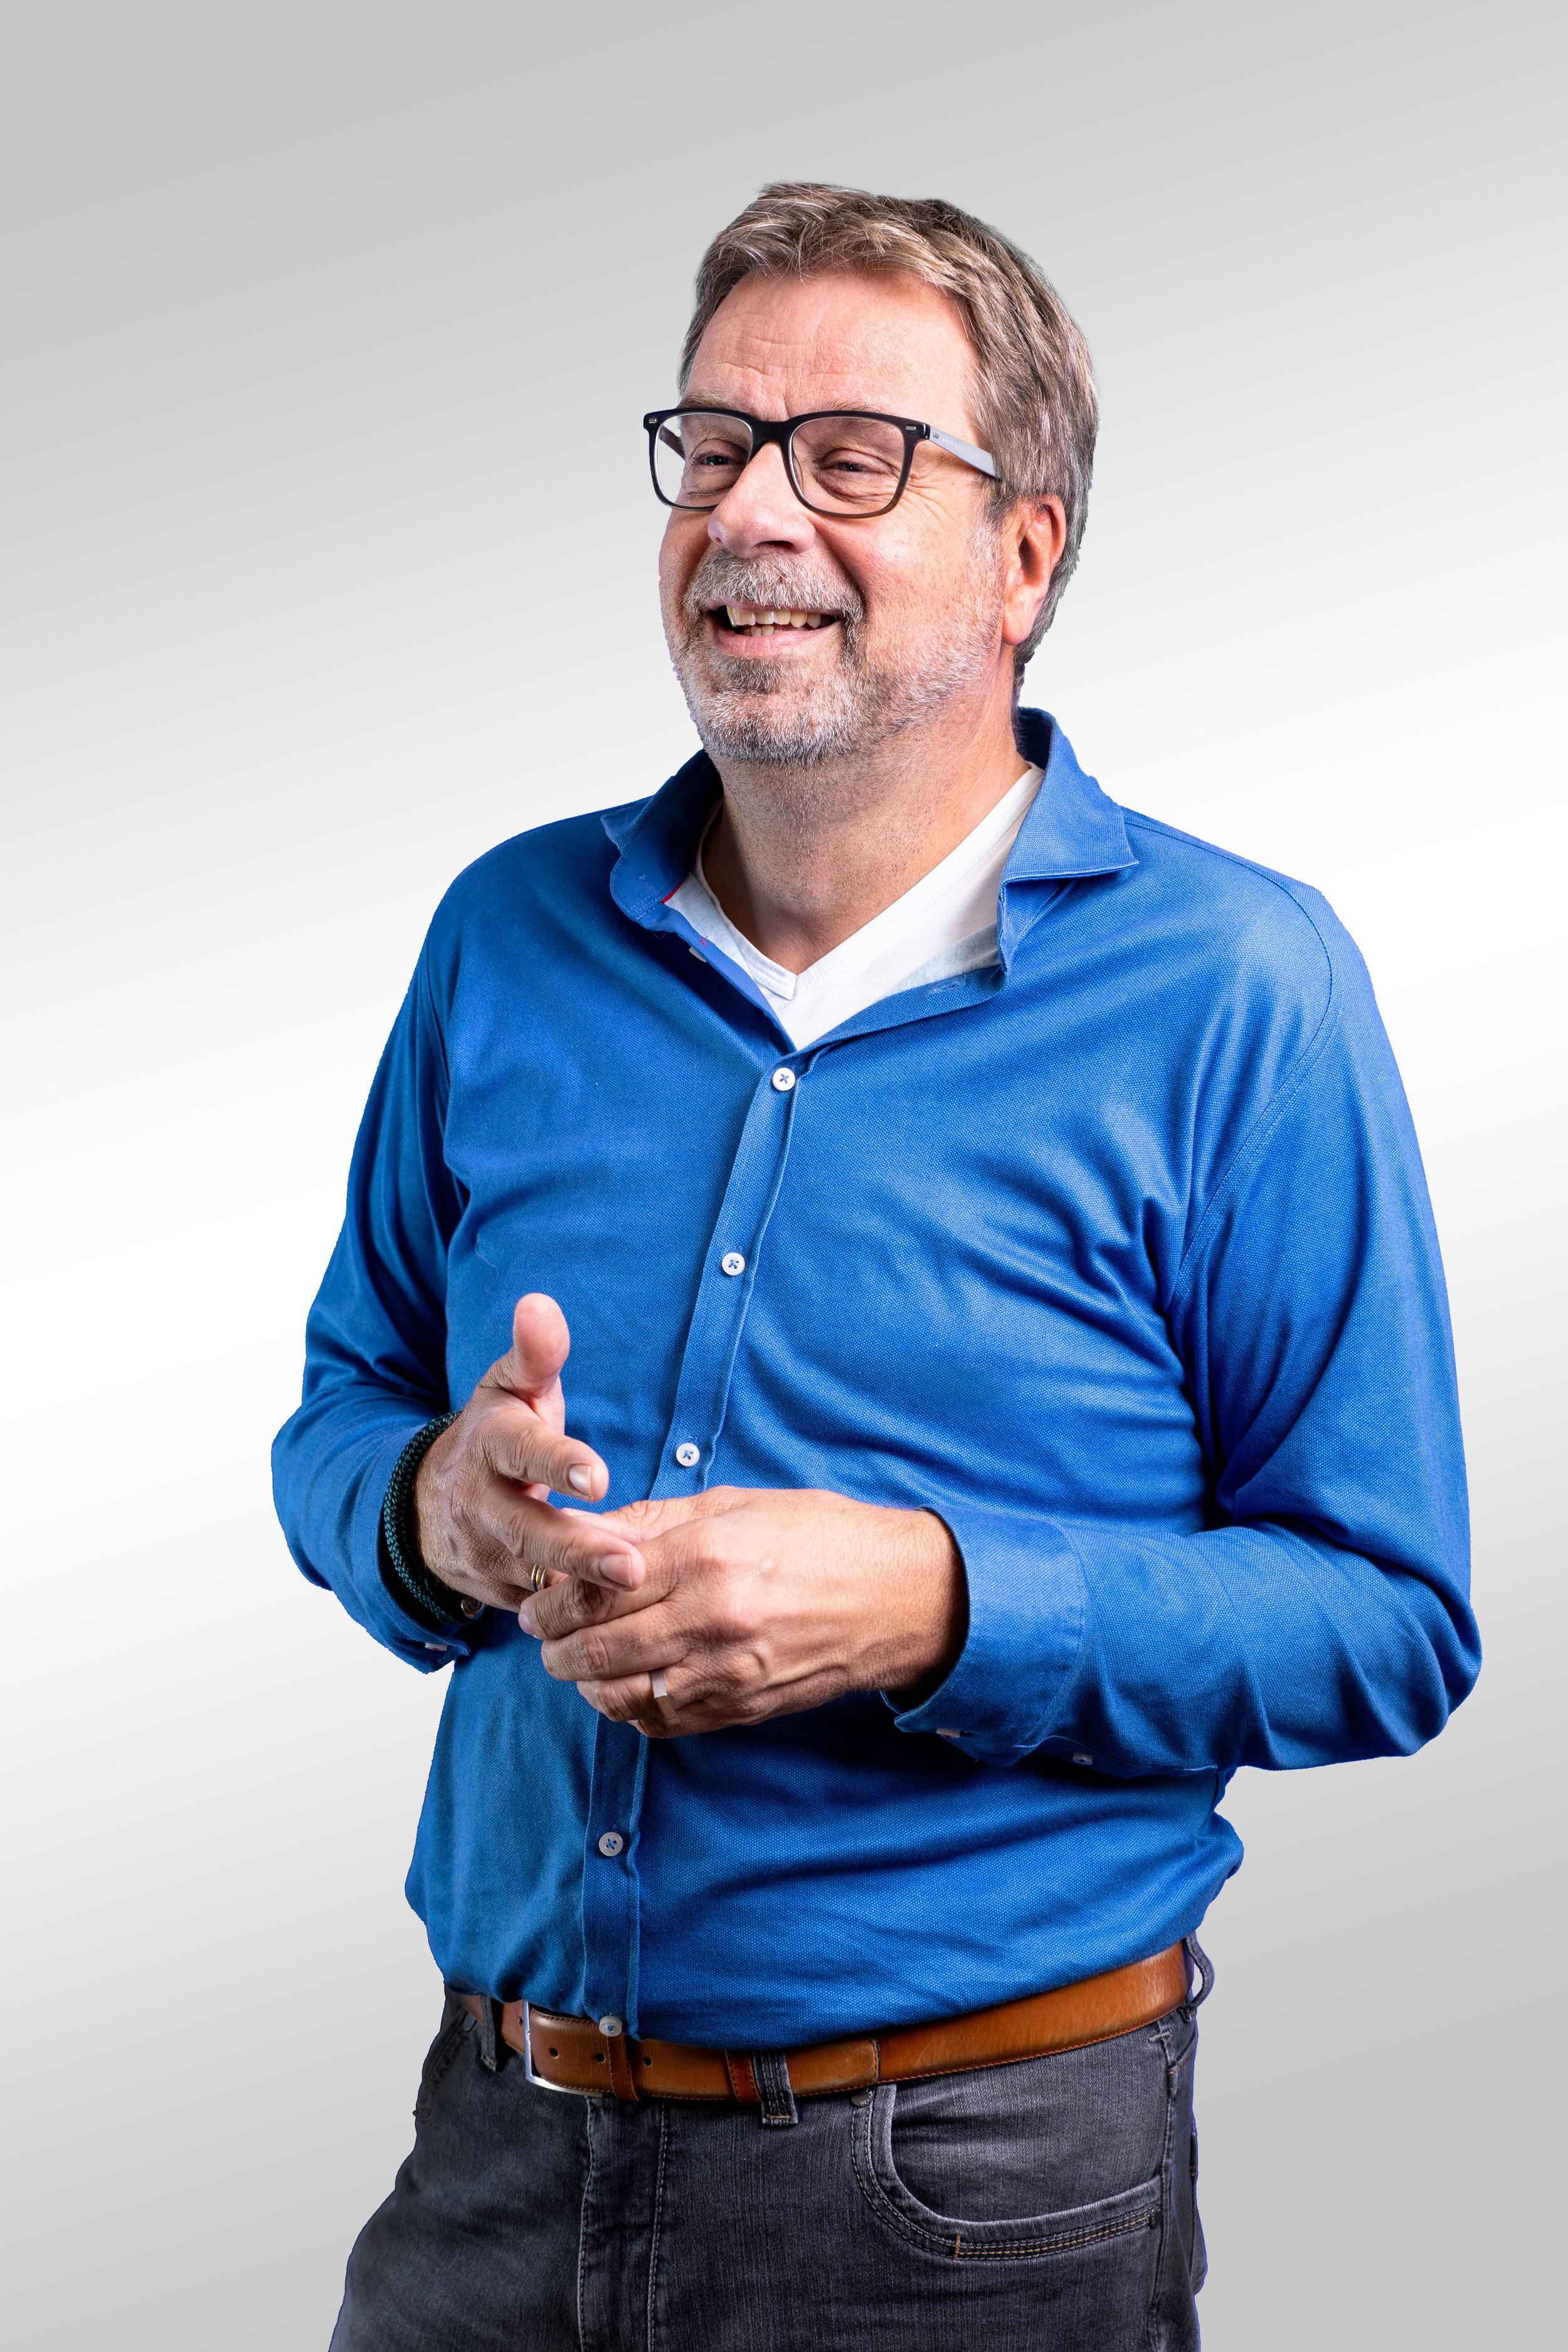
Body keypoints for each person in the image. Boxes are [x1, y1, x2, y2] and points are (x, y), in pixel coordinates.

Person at [273, 183, 1478, 2351]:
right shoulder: (502, 935)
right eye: (715, 443)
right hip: (491, 2149)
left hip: (971, 2188)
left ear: (1023, 556)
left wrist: (933, 1602)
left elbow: (1385, 1623)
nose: (750, 511)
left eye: (849, 458)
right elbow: (340, 1408)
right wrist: (432, 1509)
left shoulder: (1242, 989)